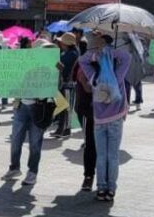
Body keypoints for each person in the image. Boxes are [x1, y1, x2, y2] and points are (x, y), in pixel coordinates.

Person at [78, 31, 131, 202]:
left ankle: (100, 189)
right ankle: (111, 189)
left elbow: (82, 60)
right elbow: (127, 57)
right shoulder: (118, 76)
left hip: (99, 119)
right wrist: (110, 50)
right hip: (115, 117)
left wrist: (97, 53)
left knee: (101, 155)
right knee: (113, 156)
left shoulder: (94, 76)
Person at [3, 39, 56, 186]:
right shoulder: (25, 65)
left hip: (38, 108)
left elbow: (57, 86)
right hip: (21, 106)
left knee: (35, 143)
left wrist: (58, 70)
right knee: (15, 140)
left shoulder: (53, 67)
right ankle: (14, 167)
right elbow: (15, 82)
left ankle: (32, 173)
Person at [73, 56, 96, 192]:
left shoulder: (112, 62)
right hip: (91, 112)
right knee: (91, 146)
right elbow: (85, 88)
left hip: (109, 113)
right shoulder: (84, 62)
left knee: (106, 150)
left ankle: (106, 183)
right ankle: (88, 176)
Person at [53, 32, 80, 137]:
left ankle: (65, 130)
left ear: (66, 44)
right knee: (62, 107)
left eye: (62, 42)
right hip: (63, 84)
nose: (60, 44)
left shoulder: (71, 54)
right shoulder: (68, 53)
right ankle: (61, 129)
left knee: (66, 107)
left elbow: (62, 67)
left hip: (68, 84)